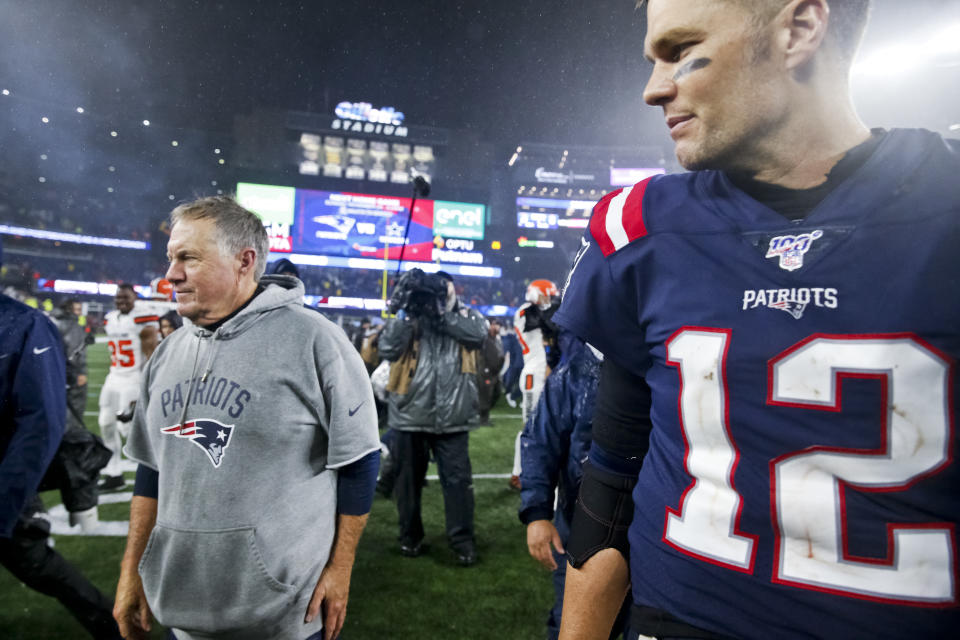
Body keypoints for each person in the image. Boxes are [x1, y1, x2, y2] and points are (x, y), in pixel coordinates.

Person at [555, 1, 960, 639]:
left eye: (679, 50)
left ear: (799, 29)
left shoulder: (944, 211)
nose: (653, 88)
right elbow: (610, 476)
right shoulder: (642, 229)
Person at [113, 196, 381, 640]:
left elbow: (358, 460)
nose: (170, 274)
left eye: (188, 258)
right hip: (182, 608)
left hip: (283, 615)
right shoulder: (167, 353)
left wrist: (340, 568)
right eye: (170, 258)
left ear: (244, 261)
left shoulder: (316, 340)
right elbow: (150, 471)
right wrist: (131, 571)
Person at [0, 255, 122, 639]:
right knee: (39, 565)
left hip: (6, 478)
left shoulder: (23, 324)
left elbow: (40, 425)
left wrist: (7, 500)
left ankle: (112, 625)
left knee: (38, 563)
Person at [519, 331, 627, 640]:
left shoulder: (660, 368)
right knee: (576, 625)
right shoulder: (574, 374)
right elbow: (540, 443)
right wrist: (537, 513)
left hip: (649, 531)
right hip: (582, 524)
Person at [379, 268, 486, 565]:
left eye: (444, 288)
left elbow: (477, 334)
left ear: (454, 290)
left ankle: (462, 541)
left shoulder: (467, 317)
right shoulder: (410, 318)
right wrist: (404, 312)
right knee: (408, 484)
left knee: (459, 485)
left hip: (453, 418)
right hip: (410, 415)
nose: (440, 294)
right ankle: (409, 538)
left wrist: (442, 315)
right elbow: (387, 348)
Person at [98, 283, 159, 491]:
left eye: (126, 298)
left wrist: (147, 383)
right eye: (118, 298)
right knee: (106, 423)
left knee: (127, 429)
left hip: (133, 378)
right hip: (113, 377)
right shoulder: (110, 317)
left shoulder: (143, 318)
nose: (121, 301)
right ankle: (114, 473)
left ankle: (155, 470)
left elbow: (152, 350)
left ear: (135, 299)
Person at [511, 279, 560, 489]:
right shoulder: (525, 312)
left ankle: (536, 471)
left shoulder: (540, 314)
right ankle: (518, 473)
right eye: (547, 296)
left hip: (546, 374)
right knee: (530, 427)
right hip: (533, 376)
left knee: (547, 427)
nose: (550, 301)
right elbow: (542, 319)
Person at [476, 317, 505, 424]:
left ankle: (483, 414)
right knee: (485, 395)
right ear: (490, 325)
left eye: (499, 325)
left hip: (495, 372)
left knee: (496, 393)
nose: (498, 327)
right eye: (496, 324)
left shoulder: (497, 339)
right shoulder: (484, 338)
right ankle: (483, 418)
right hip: (486, 371)